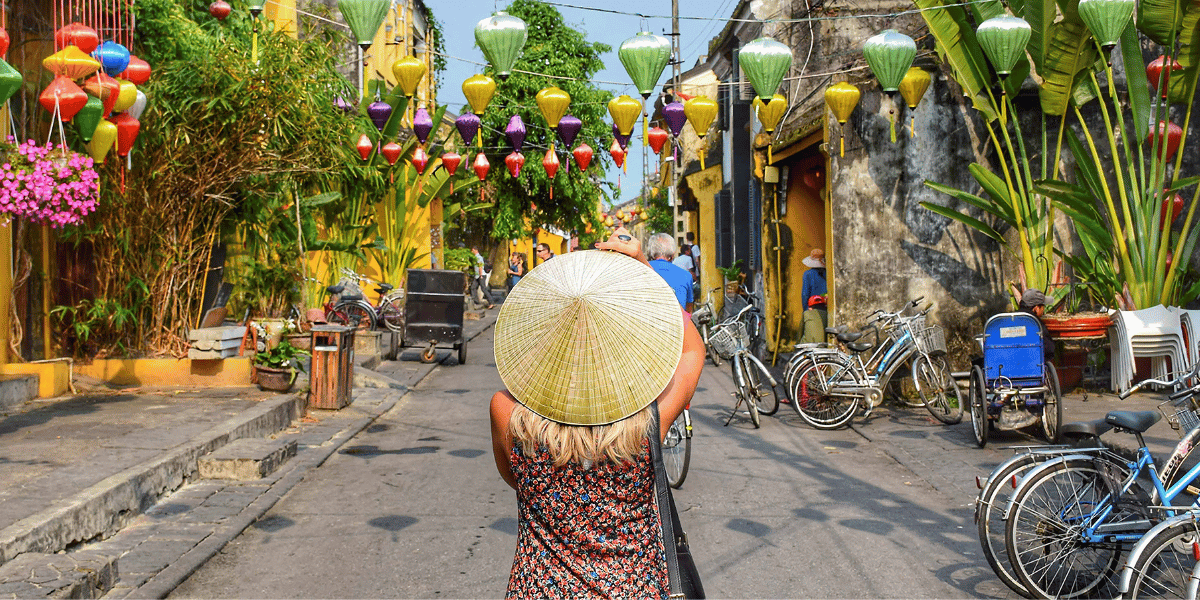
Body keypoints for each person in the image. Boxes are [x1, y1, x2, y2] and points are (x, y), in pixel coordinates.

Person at [490, 226, 705, 598]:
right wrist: (642, 268)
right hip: (635, 589)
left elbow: (514, 479)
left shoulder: (505, 410)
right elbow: (691, 352)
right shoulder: (647, 423)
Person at [647, 232, 694, 312]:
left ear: (652, 252)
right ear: (672, 253)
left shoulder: (641, 269)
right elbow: (689, 310)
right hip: (677, 323)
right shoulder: (686, 276)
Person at [799, 248, 828, 344]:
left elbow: (805, 294)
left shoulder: (807, 274)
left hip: (812, 308)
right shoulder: (827, 274)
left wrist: (805, 309)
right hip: (826, 308)